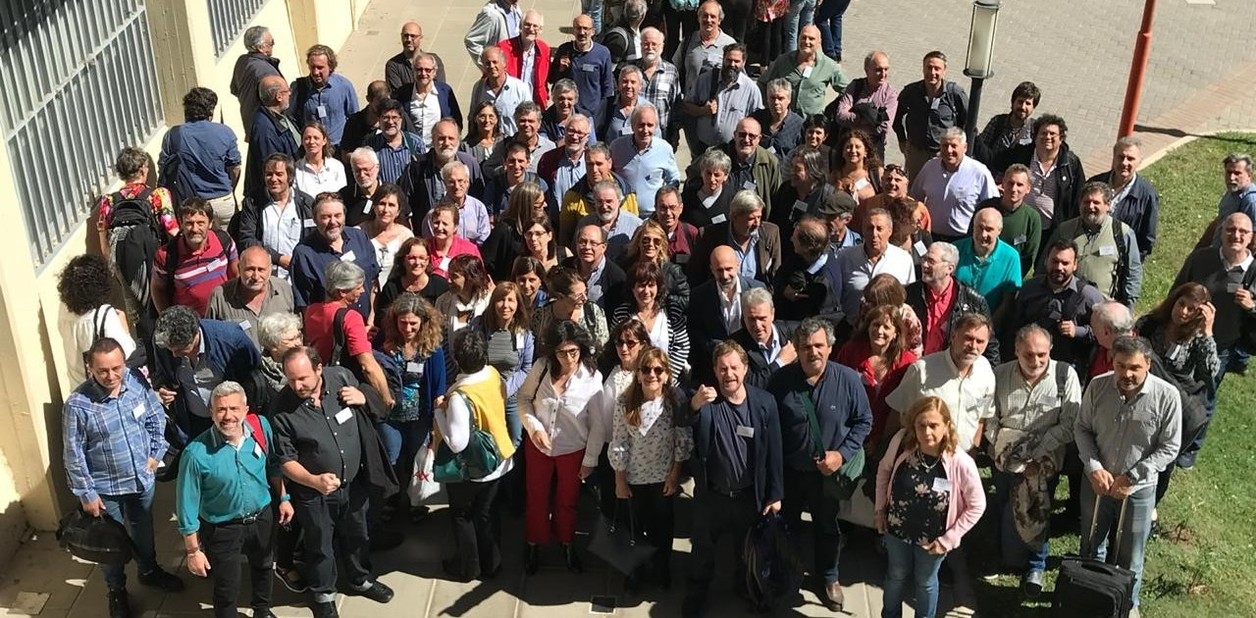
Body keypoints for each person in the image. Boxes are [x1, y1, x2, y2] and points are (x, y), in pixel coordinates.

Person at [270, 347, 396, 618]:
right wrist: (313, 480)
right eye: (290, 379)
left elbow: (373, 398)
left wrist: (363, 396)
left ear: (318, 369)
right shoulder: (281, 408)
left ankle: (360, 578)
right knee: (319, 545)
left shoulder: (341, 377)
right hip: (314, 494)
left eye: (302, 378)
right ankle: (323, 593)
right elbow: (284, 460)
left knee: (357, 534)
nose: (296, 385)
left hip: (353, 484)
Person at [64, 338, 185, 618]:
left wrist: (156, 454)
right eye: (103, 370)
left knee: (143, 529)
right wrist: (87, 494)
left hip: (141, 481)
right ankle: (116, 590)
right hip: (106, 489)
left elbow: (156, 417)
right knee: (110, 544)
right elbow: (73, 454)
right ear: (89, 367)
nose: (111, 376)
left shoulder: (135, 383)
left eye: (116, 368)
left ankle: (149, 570)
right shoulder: (78, 404)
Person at [768, 317, 872, 611]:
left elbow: (864, 421)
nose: (812, 352)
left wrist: (842, 454)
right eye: (805, 347)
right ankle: (787, 573)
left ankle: (829, 577)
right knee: (787, 527)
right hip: (790, 472)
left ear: (830, 347)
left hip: (827, 476)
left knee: (827, 528)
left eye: (818, 346)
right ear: (797, 350)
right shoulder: (780, 382)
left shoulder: (849, 380)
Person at [1075, 336, 1182, 615]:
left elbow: (1170, 446)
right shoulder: (1099, 386)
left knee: (1131, 555)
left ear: (1147, 363)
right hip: (1098, 481)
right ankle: (1087, 598)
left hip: (1138, 490)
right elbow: (1082, 428)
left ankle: (1126, 606)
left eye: (1134, 367)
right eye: (1121, 366)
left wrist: (1133, 477)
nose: (1127, 374)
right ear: (1113, 361)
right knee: (1091, 544)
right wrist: (1094, 467)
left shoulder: (1167, 396)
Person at [680, 340, 784, 618]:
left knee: (746, 552)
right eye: (722, 368)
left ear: (745, 369)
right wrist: (694, 403)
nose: (729, 374)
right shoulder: (706, 401)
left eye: (734, 367)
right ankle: (695, 597)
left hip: (748, 497)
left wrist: (775, 495)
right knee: (702, 552)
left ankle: (746, 590)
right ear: (715, 370)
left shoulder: (765, 403)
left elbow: (774, 450)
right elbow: (681, 417)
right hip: (712, 496)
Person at [176, 382, 290, 618]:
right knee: (227, 585)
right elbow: (186, 504)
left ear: (245, 410)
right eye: (221, 410)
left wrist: (284, 497)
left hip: (262, 518)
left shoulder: (261, 428)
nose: (228, 416)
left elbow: (273, 465)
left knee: (264, 567)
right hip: (223, 529)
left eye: (234, 409)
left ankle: (262, 610)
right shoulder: (196, 453)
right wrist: (193, 551)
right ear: (212, 413)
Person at [989, 325, 1081, 596]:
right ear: (1016, 350)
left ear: (1050, 350)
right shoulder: (999, 375)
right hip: (1006, 459)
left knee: (1039, 510)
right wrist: (1008, 453)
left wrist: (1036, 452)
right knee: (1007, 503)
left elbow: (1069, 423)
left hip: (1043, 461)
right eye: (1029, 354)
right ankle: (1005, 550)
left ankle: (1036, 565)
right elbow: (991, 419)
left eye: (1042, 354)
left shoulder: (1065, 376)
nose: (1036, 361)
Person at [875, 396, 986, 618]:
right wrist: (880, 510)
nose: (927, 433)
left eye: (933, 425)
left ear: (946, 425)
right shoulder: (901, 444)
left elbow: (977, 504)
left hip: (934, 539)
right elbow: (884, 471)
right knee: (896, 575)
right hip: (897, 529)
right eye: (921, 425)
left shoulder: (960, 462)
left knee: (925, 582)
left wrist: (950, 539)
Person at [517, 320, 604, 574]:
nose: (568, 358)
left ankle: (566, 543)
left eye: (573, 351)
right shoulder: (542, 368)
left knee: (567, 501)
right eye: (562, 352)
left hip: (572, 451)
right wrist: (534, 427)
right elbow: (523, 398)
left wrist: (590, 461)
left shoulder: (591, 378)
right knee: (537, 497)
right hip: (539, 447)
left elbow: (598, 425)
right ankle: (534, 543)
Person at [434, 328, 517, 581]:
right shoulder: (493, 374)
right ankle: (492, 563)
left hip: (475, 467)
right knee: (487, 513)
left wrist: (439, 412)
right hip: (500, 457)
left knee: (462, 515)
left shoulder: (459, 396)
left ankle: (469, 568)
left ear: (458, 359)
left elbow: (457, 443)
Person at [609, 347, 693, 591]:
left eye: (658, 370)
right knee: (634, 528)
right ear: (638, 374)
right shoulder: (625, 402)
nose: (652, 375)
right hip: (634, 478)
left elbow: (682, 440)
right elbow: (620, 442)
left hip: (662, 478)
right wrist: (620, 481)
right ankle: (634, 571)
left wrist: (675, 475)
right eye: (646, 369)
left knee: (662, 528)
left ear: (666, 374)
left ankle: (661, 568)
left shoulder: (674, 401)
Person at [375, 293, 447, 519]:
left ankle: (417, 501)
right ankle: (392, 500)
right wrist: (380, 354)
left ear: (423, 322)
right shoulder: (384, 340)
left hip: (420, 414)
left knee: (417, 459)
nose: (407, 328)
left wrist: (436, 419)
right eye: (403, 322)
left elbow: (439, 383)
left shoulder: (432, 345)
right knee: (392, 456)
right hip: (390, 414)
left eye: (413, 323)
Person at [1133, 283, 1217, 476]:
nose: (1183, 312)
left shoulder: (1196, 339)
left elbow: (1210, 372)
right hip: (1141, 393)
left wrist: (1208, 332)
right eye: (1181, 304)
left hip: (1171, 402)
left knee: (1160, 455)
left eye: (1192, 310)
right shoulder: (1150, 323)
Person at [886, 313, 997, 453]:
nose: (973, 346)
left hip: (962, 461)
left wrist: (973, 451)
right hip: (923, 458)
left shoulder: (985, 371)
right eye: (968, 338)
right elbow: (897, 413)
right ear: (954, 336)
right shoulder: (921, 370)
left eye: (980, 341)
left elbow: (981, 417)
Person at [95, 147, 180, 324]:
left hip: (124, 262)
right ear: (142, 169)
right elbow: (171, 228)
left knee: (139, 314)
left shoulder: (108, 201)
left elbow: (105, 246)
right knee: (164, 305)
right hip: (154, 257)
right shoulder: (158, 195)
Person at [1173, 211, 1254, 393]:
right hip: (1185, 336)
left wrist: (1252, 306)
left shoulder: (1253, 271)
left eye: (1243, 232)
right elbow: (1176, 293)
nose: (1236, 235)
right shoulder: (1201, 258)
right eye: (1230, 229)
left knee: (1204, 396)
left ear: (1251, 237)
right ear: (1221, 231)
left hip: (1221, 347)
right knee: (1172, 387)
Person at [151, 305, 260, 440]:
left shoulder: (231, 339)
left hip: (231, 419)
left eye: (181, 349)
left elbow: (254, 374)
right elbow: (161, 372)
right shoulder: (163, 343)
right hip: (193, 423)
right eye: (170, 349)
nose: (173, 355)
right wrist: (163, 387)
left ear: (196, 334)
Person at [300, 260, 394, 407]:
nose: (363, 291)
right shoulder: (351, 317)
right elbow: (367, 365)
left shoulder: (311, 311)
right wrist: (386, 397)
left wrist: (359, 334)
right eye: (358, 287)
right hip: (345, 390)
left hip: (321, 382)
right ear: (342, 291)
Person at [1039, 181, 1143, 307]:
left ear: (1108, 205)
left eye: (1096, 202)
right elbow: (1044, 265)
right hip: (1064, 305)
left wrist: (1127, 306)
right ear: (1079, 204)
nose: (1090, 207)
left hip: (1102, 308)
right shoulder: (1064, 230)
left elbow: (1133, 273)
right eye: (1086, 202)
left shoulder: (1122, 232)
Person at [1007, 240, 1105, 368]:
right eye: (1055, 261)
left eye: (1065, 263)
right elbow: (1013, 326)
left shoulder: (1089, 296)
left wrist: (1077, 331)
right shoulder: (1029, 290)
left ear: (1075, 265)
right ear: (1046, 260)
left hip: (1069, 367)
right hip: (1030, 363)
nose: (1059, 267)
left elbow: (1105, 334)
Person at [992, 114, 1086, 243]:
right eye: (1043, 133)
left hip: (1051, 232)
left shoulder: (1071, 163)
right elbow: (994, 162)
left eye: (1053, 134)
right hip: (1020, 225)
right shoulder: (1021, 155)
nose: (1047, 137)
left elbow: (1080, 196)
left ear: (1061, 139)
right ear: (1035, 137)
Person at [835, 303, 918, 446]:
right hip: (849, 434)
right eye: (875, 324)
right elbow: (836, 390)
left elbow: (907, 406)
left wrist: (882, 440)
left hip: (889, 438)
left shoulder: (908, 362)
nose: (879, 331)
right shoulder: (850, 351)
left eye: (886, 327)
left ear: (895, 333)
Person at [159, 87, 242, 229]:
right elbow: (235, 168)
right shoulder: (225, 132)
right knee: (228, 245)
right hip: (222, 200)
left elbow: (163, 169)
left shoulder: (172, 135)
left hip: (191, 206)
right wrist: (229, 187)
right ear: (210, 111)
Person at [289, 194, 381, 318]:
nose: (333, 222)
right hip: (331, 330)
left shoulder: (360, 237)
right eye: (325, 217)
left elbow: (373, 281)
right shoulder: (304, 254)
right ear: (315, 219)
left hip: (368, 327)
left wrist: (371, 320)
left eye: (338, 215)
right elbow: (306, 306)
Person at [57, 255, 140, 386]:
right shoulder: (105, 314)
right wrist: (125, 327)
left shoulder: (64, 309)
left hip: (77, 386)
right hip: (102, 388)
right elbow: (125, 353)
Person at [151, 198, 240, 316]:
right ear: (181, 224)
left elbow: (236, 276)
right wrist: (168, 317)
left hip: (224, 316)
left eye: (200, 223)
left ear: (210, 223)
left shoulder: (224, 241)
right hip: (190, 324)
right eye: (189, 223)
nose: (195, 229)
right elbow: (157, 289)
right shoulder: (166, 255)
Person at [910, 128, 999, 243]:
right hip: (930, 237)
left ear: (965, 147)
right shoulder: (930, 167)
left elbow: (992, 206)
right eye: (945, 145)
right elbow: (915, 197)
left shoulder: (979, 172)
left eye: (953, 146)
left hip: (963, 239)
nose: (949, 150)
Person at [832, 208, 916, 326]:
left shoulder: (903, 259)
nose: (874, 234)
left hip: (886, 331)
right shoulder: (845, 257)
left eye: (879, 229)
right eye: (869, 228)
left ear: (890, 231)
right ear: (863, 230)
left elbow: (907, 299)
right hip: (851, 328)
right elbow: (835, 297)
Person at [892, 51, 969, 181]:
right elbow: (896, 116)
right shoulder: (911, 92)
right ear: (923, 69)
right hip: (917, 153)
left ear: (944, 71)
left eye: (937, 69)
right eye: (929, 68)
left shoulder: (955, 94)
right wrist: (902, 140)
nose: (932, 73)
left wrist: (959, 148)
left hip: (943, 152)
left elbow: (967, 121)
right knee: (914, 189)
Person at [205, 246, 296, 350]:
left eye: (261, 270)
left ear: (270, 270)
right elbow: (209, 338)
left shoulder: (284, 289)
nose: (256, 276)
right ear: (239, 268)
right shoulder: (220, 296)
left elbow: (296, 332)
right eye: (250, 269)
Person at [611, 260, 691, 377]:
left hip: (666, 380)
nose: (646, 291)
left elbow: (682, 346)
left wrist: (667, 376)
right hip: (631, 380)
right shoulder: (622, 314)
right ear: (632, 288)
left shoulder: (672, 311)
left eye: (651, 285)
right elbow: (616, 346)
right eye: (641, 286)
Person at [689, 189, 784, 287]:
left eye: (759, 217)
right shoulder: (710, 236)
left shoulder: (770, 233)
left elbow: (776, 274)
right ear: (734, 217)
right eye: (751, 219)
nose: (757, 224)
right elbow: (696, 275)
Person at [690, 245, 766, 362]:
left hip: (751, 358)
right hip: (715, 362)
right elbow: (696, 331)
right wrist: (716, 348)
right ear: (712, 269)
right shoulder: (699, 295)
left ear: (738, 265)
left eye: (728, 269)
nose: (725, 276)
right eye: (719, 270)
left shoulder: (757, 288)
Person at [402, 120, 485, 226]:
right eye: (441, 138)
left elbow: (479, 198)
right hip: (428, 233)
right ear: (433, 140)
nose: (446, 143)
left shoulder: (470, 163)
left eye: (451, 138)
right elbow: (405, 203)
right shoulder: (417, 166)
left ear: (458, 140)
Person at [685, 44, 763, 155]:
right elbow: (687, 107)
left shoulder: (751, 89)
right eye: (729, 60)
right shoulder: (704, 80)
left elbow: (757, 123)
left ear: (744, 63)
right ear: (723, 59)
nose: (732, 64)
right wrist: (702, 110)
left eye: (737, 61)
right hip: (703, 149)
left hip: (733, 151)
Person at [1090, 136, 1160, 260]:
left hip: (1120, 262)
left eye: (1130, 159)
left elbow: (1147, 240)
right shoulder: (1094, 183)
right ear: (1114, 157)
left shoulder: (1147, 196)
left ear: (1139, 161)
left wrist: (1130, 263)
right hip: (1088, 254)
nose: (1124, 163)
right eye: (1121, 157)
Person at [558, 142, 641, 246]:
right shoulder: (573, 196)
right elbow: (565, 236)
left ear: (609, 163)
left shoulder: (627, 193)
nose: (594, 170)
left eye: (599, 164)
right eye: (590, 164)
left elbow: (633, 228)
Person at [759, 25, 847, 117]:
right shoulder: (783, 60)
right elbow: (762, 83)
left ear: (819, 42)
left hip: (811, 125)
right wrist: (769, 105)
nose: (806, 42)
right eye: (803, 37)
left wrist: (833, 109)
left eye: (811, 39)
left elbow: (847, 91)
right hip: (786, 122)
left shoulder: (829, 65)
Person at [611, 104, 682, 218]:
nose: (645, 130)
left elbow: (674, 179)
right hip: (623, 213)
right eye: (641, 125)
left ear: (655, 127)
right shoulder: (617, 147)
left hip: (653, 216)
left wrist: (664, 202)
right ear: (632, 125)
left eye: (650, 125)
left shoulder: (664, 148)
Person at [773, 215, 843, 324]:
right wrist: (784, 290)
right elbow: (779, 276)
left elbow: (819, 320)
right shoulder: (798, 255)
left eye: (795, 238)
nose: (791, 239)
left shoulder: (824, 283)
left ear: (807, 248)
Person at [954, 207, 1023, 317]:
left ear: (999, 231)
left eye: (989, 229)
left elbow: (1008, 301)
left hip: (990, 321)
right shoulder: (955, 249)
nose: (983, 234)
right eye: (980, 227)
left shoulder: (1010, 257)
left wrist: (990, 328)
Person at [975, 163, 1041, 276]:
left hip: (1008, 276)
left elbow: (1028, 257)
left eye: (1019, 185)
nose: (1014, 188)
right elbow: (971, 238)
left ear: (1028, 188)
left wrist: (1012, 278)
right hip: (978, 270)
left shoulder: (1032, 218)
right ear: (1003, 183)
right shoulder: (985, 208)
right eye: (1010, 183)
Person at [288, 45, 359, 149]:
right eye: (312, 67)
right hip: (312, 149)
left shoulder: (344, 86)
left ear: (330, 67)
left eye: (320, 67)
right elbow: (291, 118)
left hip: (338, 147)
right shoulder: (299, 88)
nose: (316, 72)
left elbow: (354, 117)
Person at [727, 288, 799, 389]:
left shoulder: (795, 332)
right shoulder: (735, 346)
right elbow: (747, 385)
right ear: (744, 317)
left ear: (772, 314)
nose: (757, 325)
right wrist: (779, 362)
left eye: (762, 318)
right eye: (751, 319)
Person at [548, 14, 615, 122]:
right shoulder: (564, 50)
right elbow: (552, 80)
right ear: (573, 31)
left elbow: (607, 87)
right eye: (578, 28)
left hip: (592, 115)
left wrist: (603, 114)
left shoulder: (602, 53)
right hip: (567, 113)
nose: (582, 32)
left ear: (593, 31)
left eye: (586, 28)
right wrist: (560, 69)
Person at [245, 75, 301, 202]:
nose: (290, 93)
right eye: (287, 91)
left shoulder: (280, 117)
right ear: (279, 96)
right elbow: (273, 167)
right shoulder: (265, 129)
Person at [532, 266, 610, 357]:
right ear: (560, 296)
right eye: (578, 296)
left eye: (585, 292)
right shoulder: (541, 316)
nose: (585, 298)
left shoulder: (593, 312)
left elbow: (603, 348)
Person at [831, 51, 897, 157]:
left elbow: (884, 127)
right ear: (867, 70)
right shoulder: (855, 87)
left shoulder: (890, 94)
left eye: (886, 69)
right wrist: (865, 117)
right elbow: (840, 116)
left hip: (873, 149)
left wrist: (854, 122)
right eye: (878, 70)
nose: (883, 74)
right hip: (849, 149)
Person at [482, 181, 550, 279]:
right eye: (539, 204)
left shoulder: (542, 225)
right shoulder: (504, 229)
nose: (545, 205)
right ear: (526, 207)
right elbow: (486, 263)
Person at [395, 53, 463, 150]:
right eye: (419, 69)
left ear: (434, 72)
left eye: (428, 70)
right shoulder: (404, 93)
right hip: (411, 150)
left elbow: (456, 120)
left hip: (439, 150)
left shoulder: (445, 91)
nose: (423, 73)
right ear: (413, 71)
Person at [619, 220, 691, 313]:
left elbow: (687, 299)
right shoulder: (626, 268)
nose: (651, 244)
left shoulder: (673, 271)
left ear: (662, 245)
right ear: (638, 242)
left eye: (656, 241)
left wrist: (661, 298)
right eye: (646, 240)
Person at [247, 312, 304, 416]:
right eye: (291, 340)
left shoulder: (310, 364)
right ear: (272, 345)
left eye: (298, 337)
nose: (298, 343)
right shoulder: (256, 380)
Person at [356, 184, 415, 285]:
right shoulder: (358, 233)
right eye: (382, 203)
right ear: (374, 206)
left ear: (398, 211)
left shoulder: (406, 236)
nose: (386, 210)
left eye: (391, 205)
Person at [375, 237, 451, 315]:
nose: (417, 262)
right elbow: (383, 319)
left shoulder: (440, 285)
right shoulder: (392, 287)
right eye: (412, 258)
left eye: (421, 258)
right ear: (403, 260)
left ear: (427, 260)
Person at [231, 25, 283, 136]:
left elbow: (234, 90)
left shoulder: (242, 62)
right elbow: (279, 99)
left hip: (250, 124)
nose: (273, 45)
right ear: (261, 47)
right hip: (268, 127)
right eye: (271, 43)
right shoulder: (266, 70)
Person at [424, 162, 492, 246]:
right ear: (444, 184)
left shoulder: (478, 208)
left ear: (467, 182)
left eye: (460, 181)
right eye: (451, 182)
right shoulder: (433, 215)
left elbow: (484, 239)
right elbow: (430, 244)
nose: (456, 186)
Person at [770, 146, 836, 232]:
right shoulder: (785, 189)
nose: (792, 172)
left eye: (797, 169)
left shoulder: (827, 195)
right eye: (792, 167)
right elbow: (774, 220)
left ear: (812, 171)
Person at [483, 103, 558, 179]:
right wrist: (503, 171)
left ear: (539, 124)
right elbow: (487, 168)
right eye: (522, 121)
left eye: (531, 121)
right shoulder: (505, 144)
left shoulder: (550, 147)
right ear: (516, 122)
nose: (526, 124)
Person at [576, 180, 645, 261]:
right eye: (599, 202)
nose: (604, 206)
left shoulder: (636, 224)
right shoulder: (585, 223)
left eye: (609, 201)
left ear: (619, 202)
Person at [470, 47, 532, 137]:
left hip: (513, 144)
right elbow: (472, 118)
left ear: (504, 63)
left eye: (495, 62)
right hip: (487, 144)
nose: (491, 66)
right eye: (487, 63)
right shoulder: (478, 88)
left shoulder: (520, 88)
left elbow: (529, 118)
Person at [637, 27, 683, 143]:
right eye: (646, 44)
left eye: (654, 44)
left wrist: (675, 133)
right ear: (641, 45)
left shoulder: (671, 72)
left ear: (661, 47)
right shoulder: (632, 70)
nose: (650, 48)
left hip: (662, 136)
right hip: (636, 134)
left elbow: (676, 106)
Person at [974, 81, 1039, 165]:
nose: (1023, 107)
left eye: (1028, 103)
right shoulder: (997, 122)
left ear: (1033, 108)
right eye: (1020, 101)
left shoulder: (1035, 130)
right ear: (1013, 102)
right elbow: (981, 150)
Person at [565, 224, 628, 310]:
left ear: (604, 247)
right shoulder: (566, 267)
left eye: (593, 243)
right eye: (582, 242)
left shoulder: (616, 277)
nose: (587, 247)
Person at [537, 114, 592, 212]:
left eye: (580, 133)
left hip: (586, 221)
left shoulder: (594, 161)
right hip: (555, 221)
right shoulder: (548, 159)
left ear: (587, 137)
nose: (575, 137)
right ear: (564, 132)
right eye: (571, 131)